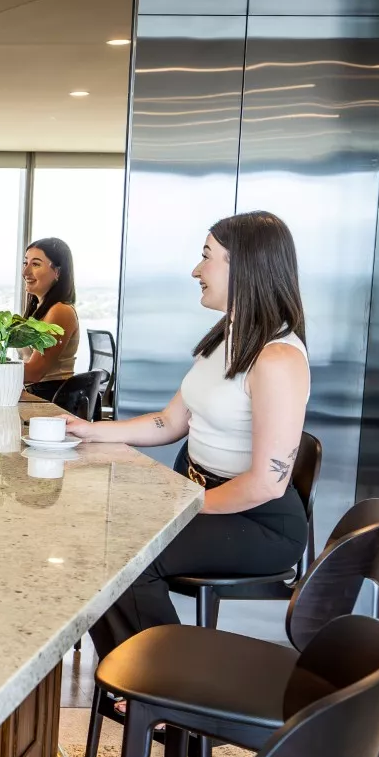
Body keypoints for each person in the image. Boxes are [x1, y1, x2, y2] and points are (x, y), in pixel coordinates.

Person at [68, 211, 310, 659]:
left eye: (206, 257)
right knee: (97, 538)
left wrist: (180, 509)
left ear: (247, 266)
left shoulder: (278, 358)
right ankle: (131, 673)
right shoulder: (227, 338)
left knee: (128, 555)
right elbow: (170, 422)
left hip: (257, 520)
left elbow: (267, 483)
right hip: (204, 496)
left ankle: (163, 678)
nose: (196, 270)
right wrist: (90, 430)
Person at [21, 237, 80, 399]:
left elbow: (34, 372)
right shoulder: (39, 310)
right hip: (36, 394)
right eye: (26, 263)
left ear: (58, 272)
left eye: (36, 264)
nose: (25, 272)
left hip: (52, 399)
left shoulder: (60, 311)